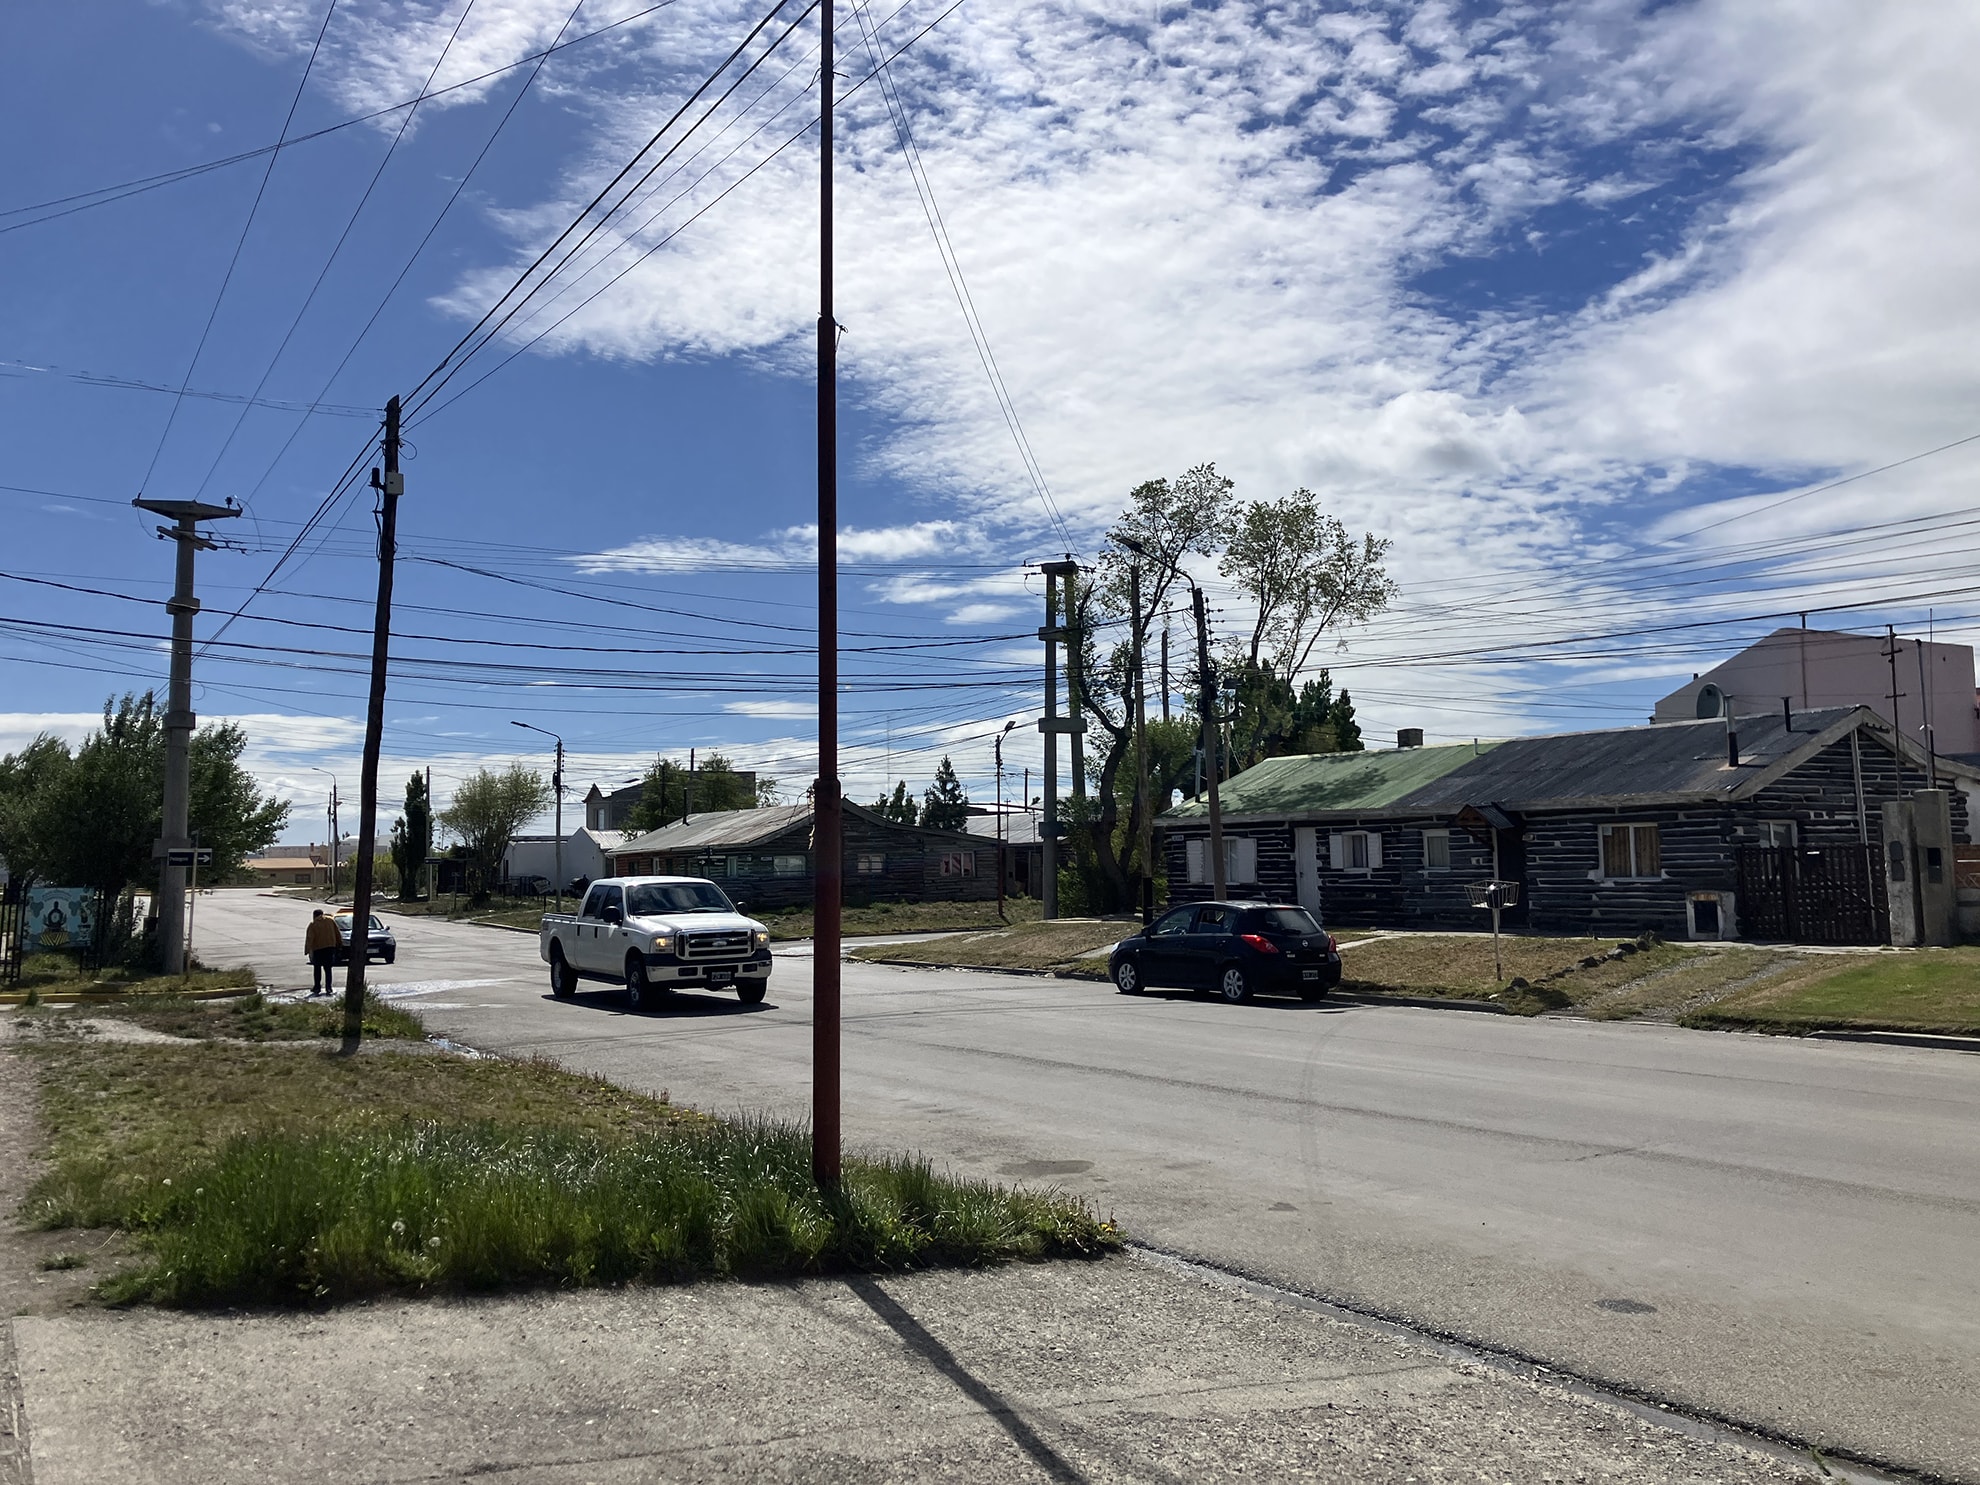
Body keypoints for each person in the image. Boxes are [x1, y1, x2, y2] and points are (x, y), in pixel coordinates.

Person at [304, 908, 340, 997]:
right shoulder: (330, 921)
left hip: (318, 949)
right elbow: (337, 932)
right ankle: (328, 988)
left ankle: (317, 987)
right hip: (330, 948)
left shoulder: (313, 924)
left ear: (314, 915)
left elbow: (310, 938)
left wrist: (307, 950)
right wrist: (339, 943)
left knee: (317, 969)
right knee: (328, 969)